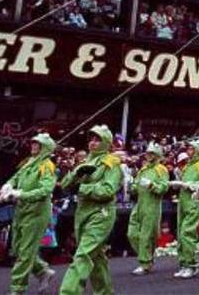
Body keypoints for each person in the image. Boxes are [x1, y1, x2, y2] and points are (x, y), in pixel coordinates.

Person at [59, 125, 123, 295]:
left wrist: (82, 188)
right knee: (96, 257)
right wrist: (76, 174)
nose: (93, 143)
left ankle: (68, 292)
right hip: (83, 214)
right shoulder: (85, 161)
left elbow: (108, 190)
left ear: (106, 142)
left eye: (98, 139)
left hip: (101, 214)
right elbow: (64, 185)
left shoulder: (112, 163)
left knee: (83, 255)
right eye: (91, 139)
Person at [1, 133, 57, 295]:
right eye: (33, 143)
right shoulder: (29, 162)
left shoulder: (47, 166)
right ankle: (42, 271)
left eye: (37, 144)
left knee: (25, 253)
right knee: (18, 249)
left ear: (44, 147)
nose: (33, 146)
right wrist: (8, 185)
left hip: (36, 213)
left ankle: (17, 290)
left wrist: (21, 194)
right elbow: (16, 177)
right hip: (22, 211)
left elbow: (46, 190)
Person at [127, 142, 169, 274]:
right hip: (139, 204)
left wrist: (151, 185)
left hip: (152, 205)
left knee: (146, 235)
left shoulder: (161, 170)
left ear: (157, 155)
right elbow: (135, 186)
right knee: (132, 233)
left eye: (152, 153)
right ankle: (147, 256)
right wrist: (132, 186)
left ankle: (145, 264)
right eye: (148, 153)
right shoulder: (143, 170)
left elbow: (164, 188)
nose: (149, 155)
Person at [173, 140, 199, 278]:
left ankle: (191, 265)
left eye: (191, 149)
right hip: (183, 203)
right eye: (188, 149)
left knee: (187, 233)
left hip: (195, 203)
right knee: (180, 234)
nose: (188, 151)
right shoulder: (187, 166)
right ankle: (184, 264)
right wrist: (178, 184)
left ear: (197, 150)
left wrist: (189, 185)